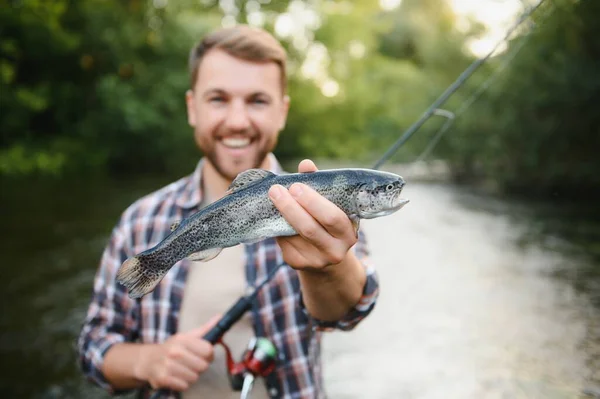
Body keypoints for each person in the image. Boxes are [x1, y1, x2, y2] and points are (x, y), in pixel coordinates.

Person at [77, 24, 379, 399]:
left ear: (282, 111)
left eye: (257, 100)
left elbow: (349, 311)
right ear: (192, 108)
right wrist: (147, 362)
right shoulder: (138, 221)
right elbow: (93, 347)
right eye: (218, 99)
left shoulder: (325, 204)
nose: (237, 121)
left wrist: (328, 269)